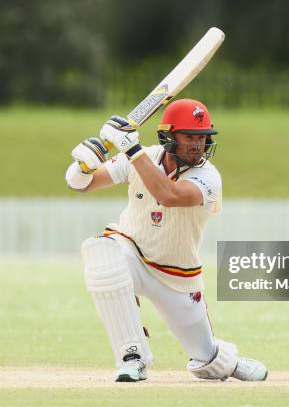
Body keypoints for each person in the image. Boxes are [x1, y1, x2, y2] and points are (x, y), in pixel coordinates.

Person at [65, 98, 268, 382]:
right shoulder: (140, 157)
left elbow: (169, 195)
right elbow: (80, 184)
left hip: (177, 274)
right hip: (132, 252)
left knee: (206, 362)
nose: (197, 144)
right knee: (101, 251)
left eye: (202, 137)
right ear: (168, 136)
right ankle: (133, 357)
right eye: (189, 137)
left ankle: (226, 362)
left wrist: (131, 148)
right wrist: (83, 166)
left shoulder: (209, 177)